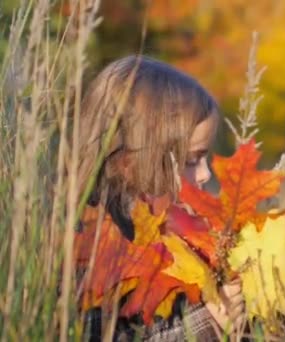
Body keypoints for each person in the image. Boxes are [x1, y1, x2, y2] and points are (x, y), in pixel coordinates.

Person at [76, 55, 245, 341]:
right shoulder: (91, 249)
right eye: (191, 161)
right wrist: (208, 326)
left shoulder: (180, 231)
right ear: (129, 163)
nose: (205, 174)